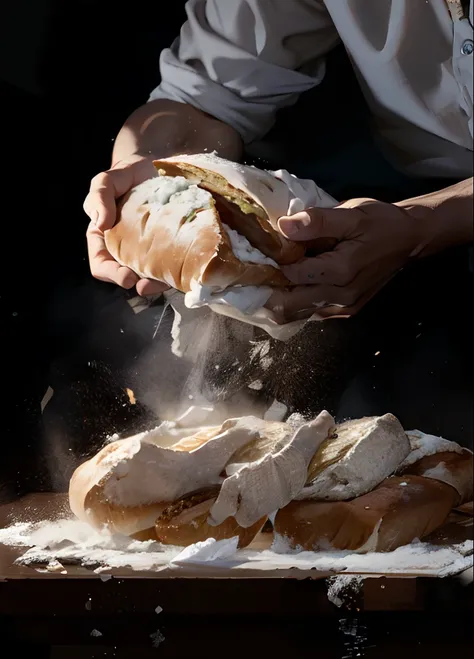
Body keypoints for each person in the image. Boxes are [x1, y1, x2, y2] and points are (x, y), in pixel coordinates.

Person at [84, 0, 473, 321]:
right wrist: (144, 178)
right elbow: (208, 94)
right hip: (403, 200)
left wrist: (427, 223)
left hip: (421, 213)